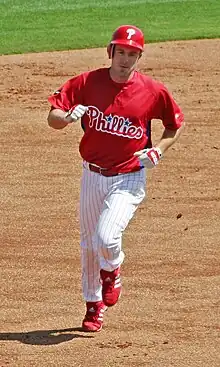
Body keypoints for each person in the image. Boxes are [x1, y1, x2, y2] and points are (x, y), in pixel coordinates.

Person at [47, 24, 185, 332]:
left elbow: (174, 124)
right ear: (110, 51)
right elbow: (53, 118)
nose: (125, 59)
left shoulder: (152, 90)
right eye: (120, 52)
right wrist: (68, 118)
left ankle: (112, 270)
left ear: (139, 57)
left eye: (132, 54)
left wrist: (159, 149)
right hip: (92, 174)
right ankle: (93, 306)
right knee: (87, 244)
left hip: (129, 176)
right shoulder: (87, 82)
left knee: (106, 237)